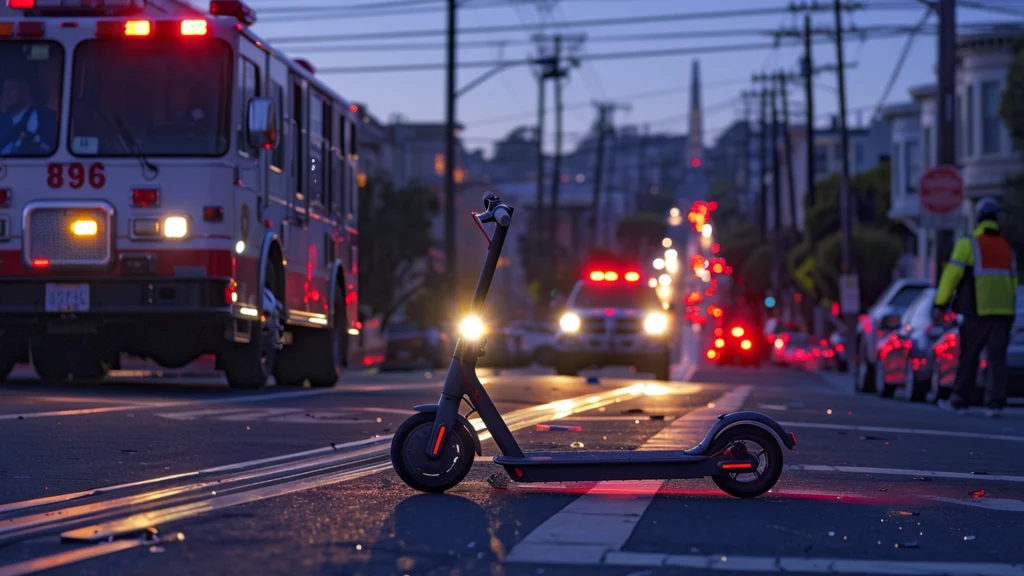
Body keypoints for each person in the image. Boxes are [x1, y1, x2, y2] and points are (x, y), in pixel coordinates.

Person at [933, 197, 1017, 417]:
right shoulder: (1007, 248)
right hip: (1004, 312)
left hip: (977, 310)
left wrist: (941, 303)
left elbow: (951, 276)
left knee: (969, 356)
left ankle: (960, 401)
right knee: (997, 360)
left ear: (978, 218)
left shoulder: (968, 244)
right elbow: (1013, 283)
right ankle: (995, 404)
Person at [0, 73, 57, 156]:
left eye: (12, 89)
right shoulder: (1, 121)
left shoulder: (49, 118)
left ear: (25, 90)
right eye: (4, 91)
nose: (6, 94)